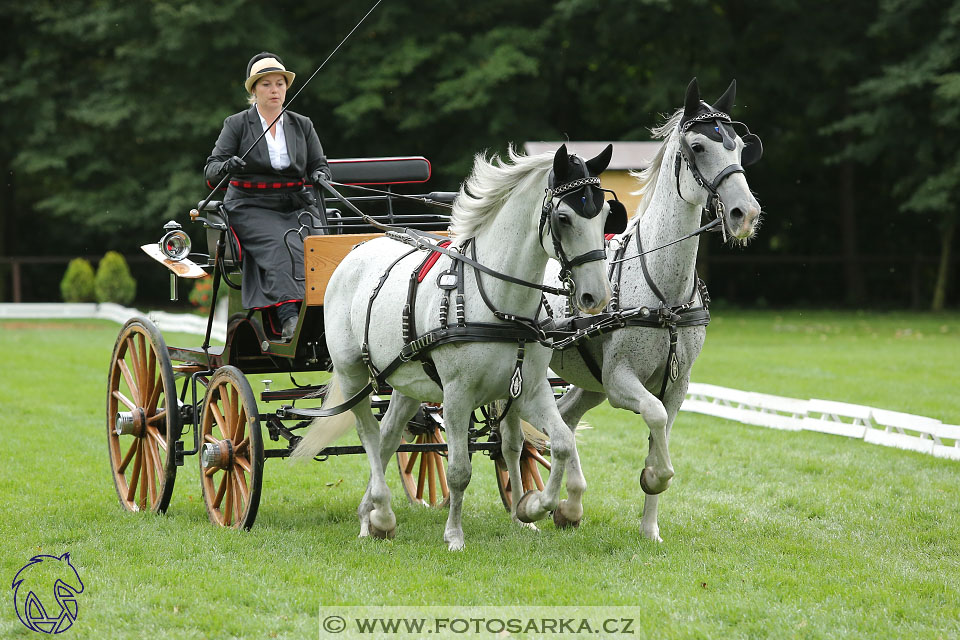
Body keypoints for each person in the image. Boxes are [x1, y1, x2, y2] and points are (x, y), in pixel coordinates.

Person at [204, 52, 332, 341]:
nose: (275, 90)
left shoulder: (302, 125)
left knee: (321, 247)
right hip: (250, 206)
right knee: (282, 244)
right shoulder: (236, 124)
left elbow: (319, 164)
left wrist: (320, 175)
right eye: (266, 85)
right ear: (254, 90)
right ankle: (289, 317)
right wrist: (227, 166)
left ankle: (327, 314)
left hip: (295, 204)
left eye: (280, 84)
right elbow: (211, 171)